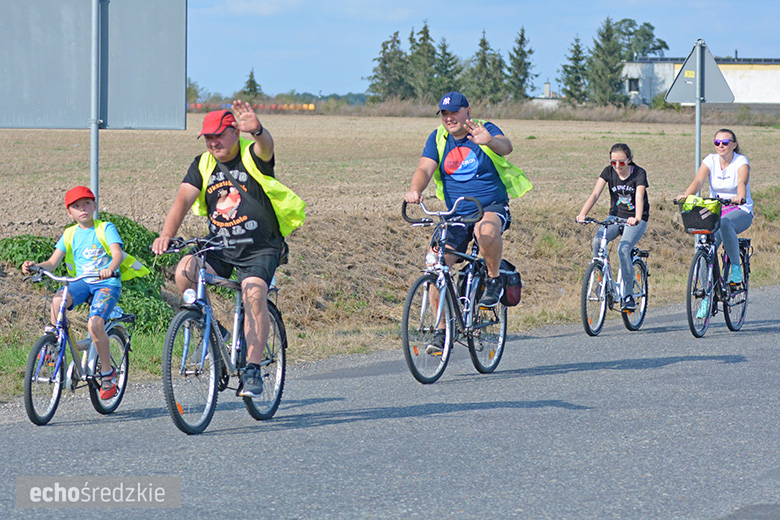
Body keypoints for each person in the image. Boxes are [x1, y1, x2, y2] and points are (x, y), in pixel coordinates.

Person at [151, 100, 305, 398]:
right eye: (208, 137)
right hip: (220, 246)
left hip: (260, 248)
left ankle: (252, 369)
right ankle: (214, 333)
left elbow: (266, 147)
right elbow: (183, 199)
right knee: (185, 271)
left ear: (235, 133)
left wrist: (258, 131)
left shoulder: (250, 155)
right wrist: (166, 235)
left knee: (254, 295)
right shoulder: (203, 164)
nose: (213, 142)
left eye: (219, 135)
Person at [404, 91, 531, 351]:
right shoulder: (438, 138)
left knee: (485, 232)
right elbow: (424, 168)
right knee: (435, 263)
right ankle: (442, 331)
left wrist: (489, 141)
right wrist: (415, 190)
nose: (450, 118)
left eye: (455, 112)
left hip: (490, 205)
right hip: (458, 212)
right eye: (445, 114)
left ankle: (494, 278)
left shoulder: (483, 129)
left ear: (468, 112)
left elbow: (506, 147)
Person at [22, 186, 148, 399]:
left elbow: (116, 254)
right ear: (69, 212)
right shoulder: (69, 233)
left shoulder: (105, 228)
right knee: (56, 301)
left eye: (87, 204)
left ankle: (108, 374)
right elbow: (53, 263)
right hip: (80, 283)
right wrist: (36, 266)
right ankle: (55, 348)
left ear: (95, 206)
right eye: (76, 206)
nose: (83, 209)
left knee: (95, 324)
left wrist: (111, 268)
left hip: (106, 283)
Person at [678, 128, 752, 318]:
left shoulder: (741, 162)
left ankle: (736, 268)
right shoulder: (710, 160)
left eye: (725, 142)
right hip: (715, 211)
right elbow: (698, 181)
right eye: (717, 142)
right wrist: (686, 196)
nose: (721, 145)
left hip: (739, 211)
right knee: (704, 248)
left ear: (734, 145)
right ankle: (707, 296)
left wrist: (740, 197)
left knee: (726, 223)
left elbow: (742, 182)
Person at [576, 143, 649, 311]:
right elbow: (595, 194)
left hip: (636, 218)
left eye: (621, 162)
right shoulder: (608, 172)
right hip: (615, 217)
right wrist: (583, 214)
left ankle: (629, 295)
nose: (617, 166)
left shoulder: (639, 173)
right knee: (597, 241)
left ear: (629, 161)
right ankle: (601, 281)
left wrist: (636, 218)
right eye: (613, 162)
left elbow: (639, 195)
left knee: (623, 249)